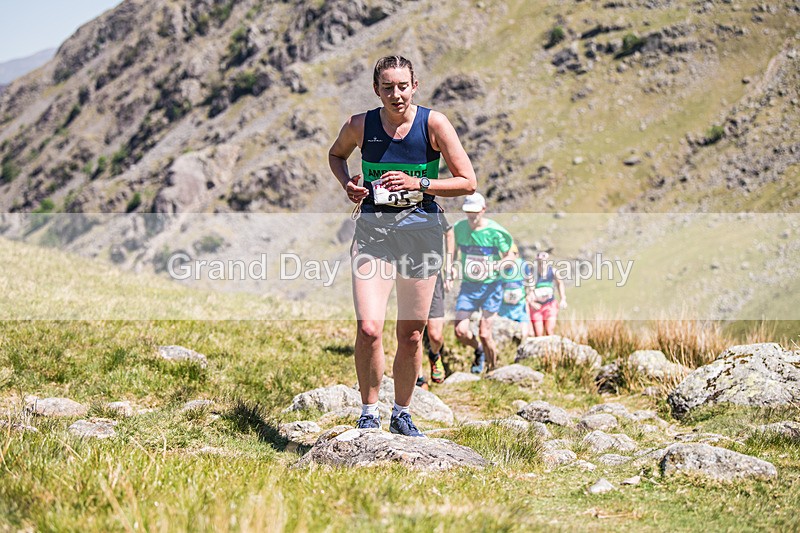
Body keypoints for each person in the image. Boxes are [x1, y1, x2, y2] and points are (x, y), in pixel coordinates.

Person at [328, 55, 476, 436]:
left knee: (411, 335)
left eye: (403, 86)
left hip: (421, 235)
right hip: (374, 234)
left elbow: (467, 182)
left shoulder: (434, 124)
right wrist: (348, 184)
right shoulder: (360, 125)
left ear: (415, 86)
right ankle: (368, 412)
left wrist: (419, 184)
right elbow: (336, 154)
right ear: (376, 90)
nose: (396, 94)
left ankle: (402, 413)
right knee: (369, 328)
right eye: (388, 87)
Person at [452, 192, 513, 373]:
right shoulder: (459, 228)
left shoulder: (495, 231)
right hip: (469, 286)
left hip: (491, 287)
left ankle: (492, 370)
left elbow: (510, 257)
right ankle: (478, 350)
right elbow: (452, 253)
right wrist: (452, 268)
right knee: (460, 331)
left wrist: (496, 265)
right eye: (468, 211)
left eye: (475, 211)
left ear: (483, 210)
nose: (472, 215)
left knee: (485, 334)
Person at [417, 220, 454, 389]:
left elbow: (449, 232)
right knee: (414, 333)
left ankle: (434, 354)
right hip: (409, 278)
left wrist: (449, 267)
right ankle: (419, 378)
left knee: (435, 335)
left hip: (434, 278)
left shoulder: (433, 210)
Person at [528, 250, 568, 336]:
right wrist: (531, 303)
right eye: (540, 261)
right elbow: (528, 290)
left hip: (550, 305)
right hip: (536, 307)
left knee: (549, 330)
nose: (542, 263)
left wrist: (563, 299)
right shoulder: (532, 273)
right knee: (538, 333)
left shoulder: (553, 272)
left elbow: (560, 283)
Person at [497, 243, 533, 339]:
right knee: (504, 334)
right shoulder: (499, 266)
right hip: (504, 307)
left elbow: (530, 279)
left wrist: (530, 293)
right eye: (504, 255)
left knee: (524, 333)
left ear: (516, 255)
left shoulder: (522, 264)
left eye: (509, 254)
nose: (507, 257)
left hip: (519, 306)